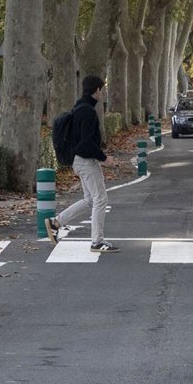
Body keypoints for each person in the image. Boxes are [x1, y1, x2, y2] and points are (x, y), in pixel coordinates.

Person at [44, 75, 118, 252]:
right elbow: (86, 143)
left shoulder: (79, 107)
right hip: (85, 161)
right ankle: (97, 242)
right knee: (100, 199)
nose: (102, 93)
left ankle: (56, 223)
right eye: (102, 90)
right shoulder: (87, 112)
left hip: (78, 160)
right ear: (97, 90)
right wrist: (104, 158)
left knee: (90, 200)